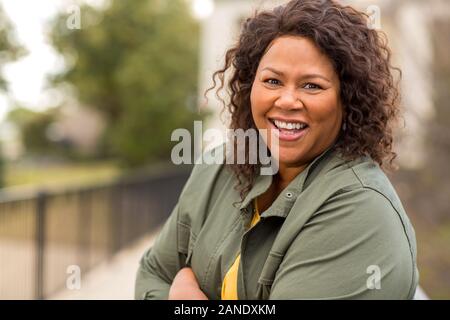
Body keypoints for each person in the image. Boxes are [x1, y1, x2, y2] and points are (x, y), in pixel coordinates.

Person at [135, 0, 419, 300]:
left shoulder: (361, 212)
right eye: (272, 81)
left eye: (311, 86)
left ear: (347, 100)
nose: (286, 100)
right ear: (249, 88)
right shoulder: (219, 167)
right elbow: (153, 274)